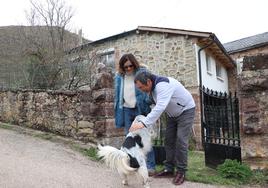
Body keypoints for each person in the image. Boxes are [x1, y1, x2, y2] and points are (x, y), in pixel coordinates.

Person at [129, 71, 196, 186]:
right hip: (172, 114)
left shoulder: (162, 85)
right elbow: (153, 106)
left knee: (181, 141)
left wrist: (143, 123)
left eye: (141, 87)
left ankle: (181, 171)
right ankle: (169, 169)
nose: (141, 90)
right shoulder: (152, 90)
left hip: (186, 111)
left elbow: (160, 107)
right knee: (168, 140)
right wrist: (140, 119)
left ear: (149, 82)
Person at [114, 53, 156, 175]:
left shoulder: (142, 72)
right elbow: (117, 95)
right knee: (129, 139)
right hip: (126, 110)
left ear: (134, 63)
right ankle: (133, 164)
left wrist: (148, 103)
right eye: (125, 66)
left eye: (130, 65)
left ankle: (150, 166)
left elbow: (149, 89)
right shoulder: (119, 77)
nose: (128, 68)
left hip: (140, 109)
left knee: (145, 138)